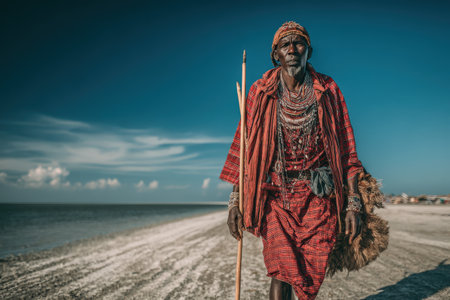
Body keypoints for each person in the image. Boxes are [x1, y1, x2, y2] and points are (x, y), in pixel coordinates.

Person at [220, 21, 364, 300]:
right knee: (280, 271)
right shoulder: (260, 92)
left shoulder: (328, 89)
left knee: (308, 278)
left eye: (298, 43)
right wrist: (234, 202)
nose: (292, 49)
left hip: (318, 197)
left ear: (309, 50)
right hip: (277, 196)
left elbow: (347, 149)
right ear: (276, 55)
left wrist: (353, 202)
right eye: (285, 45)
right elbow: (243, 149)